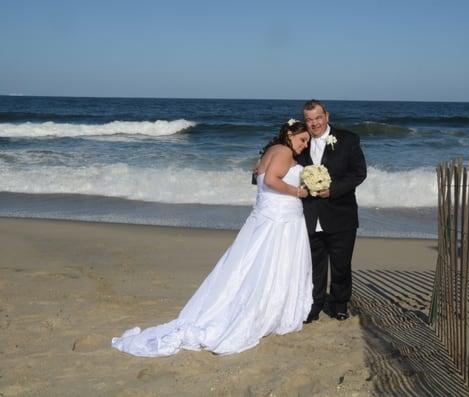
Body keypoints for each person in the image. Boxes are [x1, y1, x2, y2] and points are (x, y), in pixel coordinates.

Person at [112, 120, 313, 356]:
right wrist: (299, 191)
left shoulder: (270, 150)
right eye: (302, 139)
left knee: (250, 265)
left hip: (268, 217)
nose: (304, 145)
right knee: (272, 265)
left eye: (308, 141)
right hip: (280, 221)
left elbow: (261, 177)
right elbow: (270, 181)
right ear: (289, 134)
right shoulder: (284, 151)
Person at [297, 100, 367, 323]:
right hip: (309, 215)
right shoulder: (300, 141)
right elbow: (279, 155)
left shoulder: (348, 139)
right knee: (314, 265)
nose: (314, 123)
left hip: (341, 214)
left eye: (317, 117)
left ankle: (339, 304)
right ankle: (314, 305)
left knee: (341, 265)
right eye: (309, 119)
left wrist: (333, 190)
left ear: (326, 115)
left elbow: (359, 173)